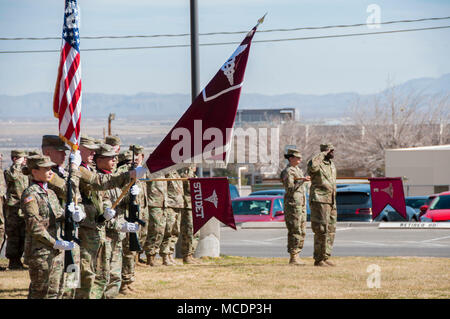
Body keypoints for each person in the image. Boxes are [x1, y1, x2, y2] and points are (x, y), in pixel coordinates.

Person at [21, 155, 84, 299]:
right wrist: (54, 242)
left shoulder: (50, 193)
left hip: (56, 252)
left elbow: (57, 215)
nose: (50, 172)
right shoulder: (30, 195)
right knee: (41, 293)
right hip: (41, 252)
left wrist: (72, 214)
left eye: (50, 168)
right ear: (34, 172)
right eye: (46, 169)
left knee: (57, 291)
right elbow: (34, 225)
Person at [96, 144, 138, 299]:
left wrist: (132, 191)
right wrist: (122, 226)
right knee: (103, 277)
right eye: (110, 158)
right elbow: (101, 215)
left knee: (115, 277)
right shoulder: (98, 181)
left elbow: (120, 201)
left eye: (115, 158)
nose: (114, 160)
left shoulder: (112, 180)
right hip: (104, 236)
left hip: (116, 236)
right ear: (99, 160)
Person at [119, 144, 148, 295]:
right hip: (126, 218)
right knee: (127, 251)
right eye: (133, 158)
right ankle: (124, 283)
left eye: (138, 156)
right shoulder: (124, 177)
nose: (136, 160)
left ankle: (129, 280)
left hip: (137, 217)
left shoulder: (139, 177)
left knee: (133, 251)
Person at [307, 143, 337, 267]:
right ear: (326, 151)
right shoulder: (316, 162)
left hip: (331, 200)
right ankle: (318, 259)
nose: (333, 152)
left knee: (331, 229)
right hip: (320, 199)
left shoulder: (331, 164)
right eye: (331, 150)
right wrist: (322, 154)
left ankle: (325, 256)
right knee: (321, 229)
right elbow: (312, 167)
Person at [280, 148, 310, 266]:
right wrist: (302, 181)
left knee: (302, 230)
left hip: (301, 204)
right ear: (291, 158)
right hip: (293, 205)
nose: (300, 160)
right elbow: (290, 188)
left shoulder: (298, 170)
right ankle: (293, 256)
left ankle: (297, 254)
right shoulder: (288, 171)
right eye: (297, 158)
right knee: (295, 230)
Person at [4, 150, 29, 270]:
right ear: (15, 159)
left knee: (23, 234)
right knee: (14, 234)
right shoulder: (10, 171)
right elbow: (13, 177)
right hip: (13, 207)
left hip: (22, 207)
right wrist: (17, 164)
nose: (25, 160)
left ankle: (19, 260)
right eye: (22, 158)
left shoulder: (24, 171)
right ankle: (13, 261)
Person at [177, 165, 201, 264]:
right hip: (187, 205)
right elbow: (188, 187)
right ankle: (186, 255)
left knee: (195, 232)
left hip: (195, 205)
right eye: (194, 164)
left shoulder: (194, 175)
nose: (195, 166)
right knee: (188, 231)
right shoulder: (184, 174)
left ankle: (191, 254)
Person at [163, 169, 184, 266]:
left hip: (178, 205)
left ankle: (170, 254)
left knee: (176, 231)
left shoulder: (177, 173)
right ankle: (165, 255)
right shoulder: (167, 172)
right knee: (168, 231)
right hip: (170, 205)